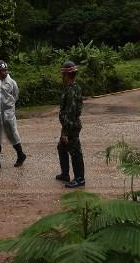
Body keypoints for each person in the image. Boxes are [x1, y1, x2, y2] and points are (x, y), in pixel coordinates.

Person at [0, 60, 26, 172]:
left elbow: (15, 96)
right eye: (2, 71)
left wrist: (8, 108)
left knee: (12, 134)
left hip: (8, 114)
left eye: (5, 70)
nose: (5, 73)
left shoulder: (11, 82)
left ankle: (21, 155)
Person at [56, 60, 85, 188]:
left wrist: (65, 133)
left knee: (75, 151)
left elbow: (70, 113)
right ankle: (65, 174)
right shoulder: (73, 88)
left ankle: (79, 178)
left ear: (67, 75)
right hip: (68, 126)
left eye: (63, 75)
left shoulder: (72, 91)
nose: (62, 77)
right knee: (61, 148)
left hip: (71, 126)